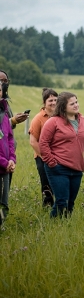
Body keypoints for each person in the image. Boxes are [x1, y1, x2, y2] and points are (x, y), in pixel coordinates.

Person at [39, 92, 84, 218]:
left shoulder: (83, 121)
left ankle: (65, 226)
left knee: (70, 203)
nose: (76, 105)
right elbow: (43, 143)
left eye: (76, 102)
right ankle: (52, 227)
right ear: (63, 106)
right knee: (61, 201)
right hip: (58, 168)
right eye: (72, 103)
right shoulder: (53, 122)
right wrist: (52, 162)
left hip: (77, 168)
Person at [29, 88, 58, 207]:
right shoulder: (38, 118)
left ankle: (60, 205)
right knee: (46, 183)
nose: (53, 102)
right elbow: (33, 141)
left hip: (57, 155)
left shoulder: (60, 116)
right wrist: (45, 157)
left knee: (58, 181)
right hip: (42, 157)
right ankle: (48, 206)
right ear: (44, 102)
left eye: (56, 99)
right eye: (50, 100)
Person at [0, 84, 16, 225]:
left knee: (3, 203)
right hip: (3, 165)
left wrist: (12, 159)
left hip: (4, 168)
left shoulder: (4, 113)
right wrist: (5, 162)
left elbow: (9, 138)